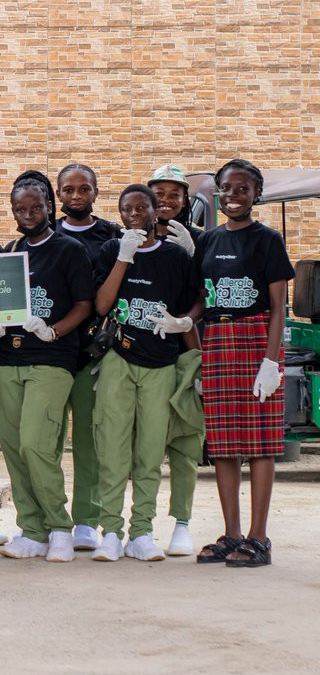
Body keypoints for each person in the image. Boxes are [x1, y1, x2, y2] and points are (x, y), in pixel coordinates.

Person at [90, 185, 199, 562]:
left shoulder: (175, 255)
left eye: (141, 208)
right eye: (126, 209)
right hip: (119, 357)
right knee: (113, 448)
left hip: (162, 362)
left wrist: (185, 323)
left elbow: (196, 299)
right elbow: (102, 305)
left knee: (150, 451)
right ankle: (110, 532)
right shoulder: (111, 250)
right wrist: (124, 258)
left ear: (156, 212)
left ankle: (141, 532)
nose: (134, 214)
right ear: (119, 214)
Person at [194, 160, 292, 568]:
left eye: (242, 188)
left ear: (257, 194)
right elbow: (202, 298)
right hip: (217, 341)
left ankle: (259, 537)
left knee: (261, 443)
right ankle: (232, 533)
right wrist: (188, 326)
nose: (233, 195)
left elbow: (278, 307)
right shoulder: (207, 241)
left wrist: (271, 360)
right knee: (223, 444)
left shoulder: (268, 240)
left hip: (256, 341)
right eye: (226, 188)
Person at [0, 171, 93, 562]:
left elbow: (84, 305)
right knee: (13, 449)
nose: (29, 214)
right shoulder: (11, 251)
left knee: (36, 444)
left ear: (50, 207)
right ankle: (32, 530)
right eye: (21, 209)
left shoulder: (69, 250)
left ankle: (59, 527)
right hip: (8, 359)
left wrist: (54, 331)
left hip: (51, 359)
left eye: (36, 207)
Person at [52, 162, 123, 552]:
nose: (76, 196)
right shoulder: (47, 233)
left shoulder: (112, 235)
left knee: (89, 440)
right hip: (51, 350)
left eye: (84, 189)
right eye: (68, 189)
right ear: (58, 194)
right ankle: (50, 517)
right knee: (46, 440)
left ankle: (86, 519)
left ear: (96, 192)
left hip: (95, 351)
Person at [147, 163, 205, 555]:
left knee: (185, 442)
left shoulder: (200, 239)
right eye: (160, 193)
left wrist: (193, 255)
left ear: (185, 200)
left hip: (187, 352)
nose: (167, 201)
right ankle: (142, 525)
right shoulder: (135, 237)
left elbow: (207, 292)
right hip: (147, 354)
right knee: (146, 446)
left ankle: (182, 523)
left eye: (175, 194)